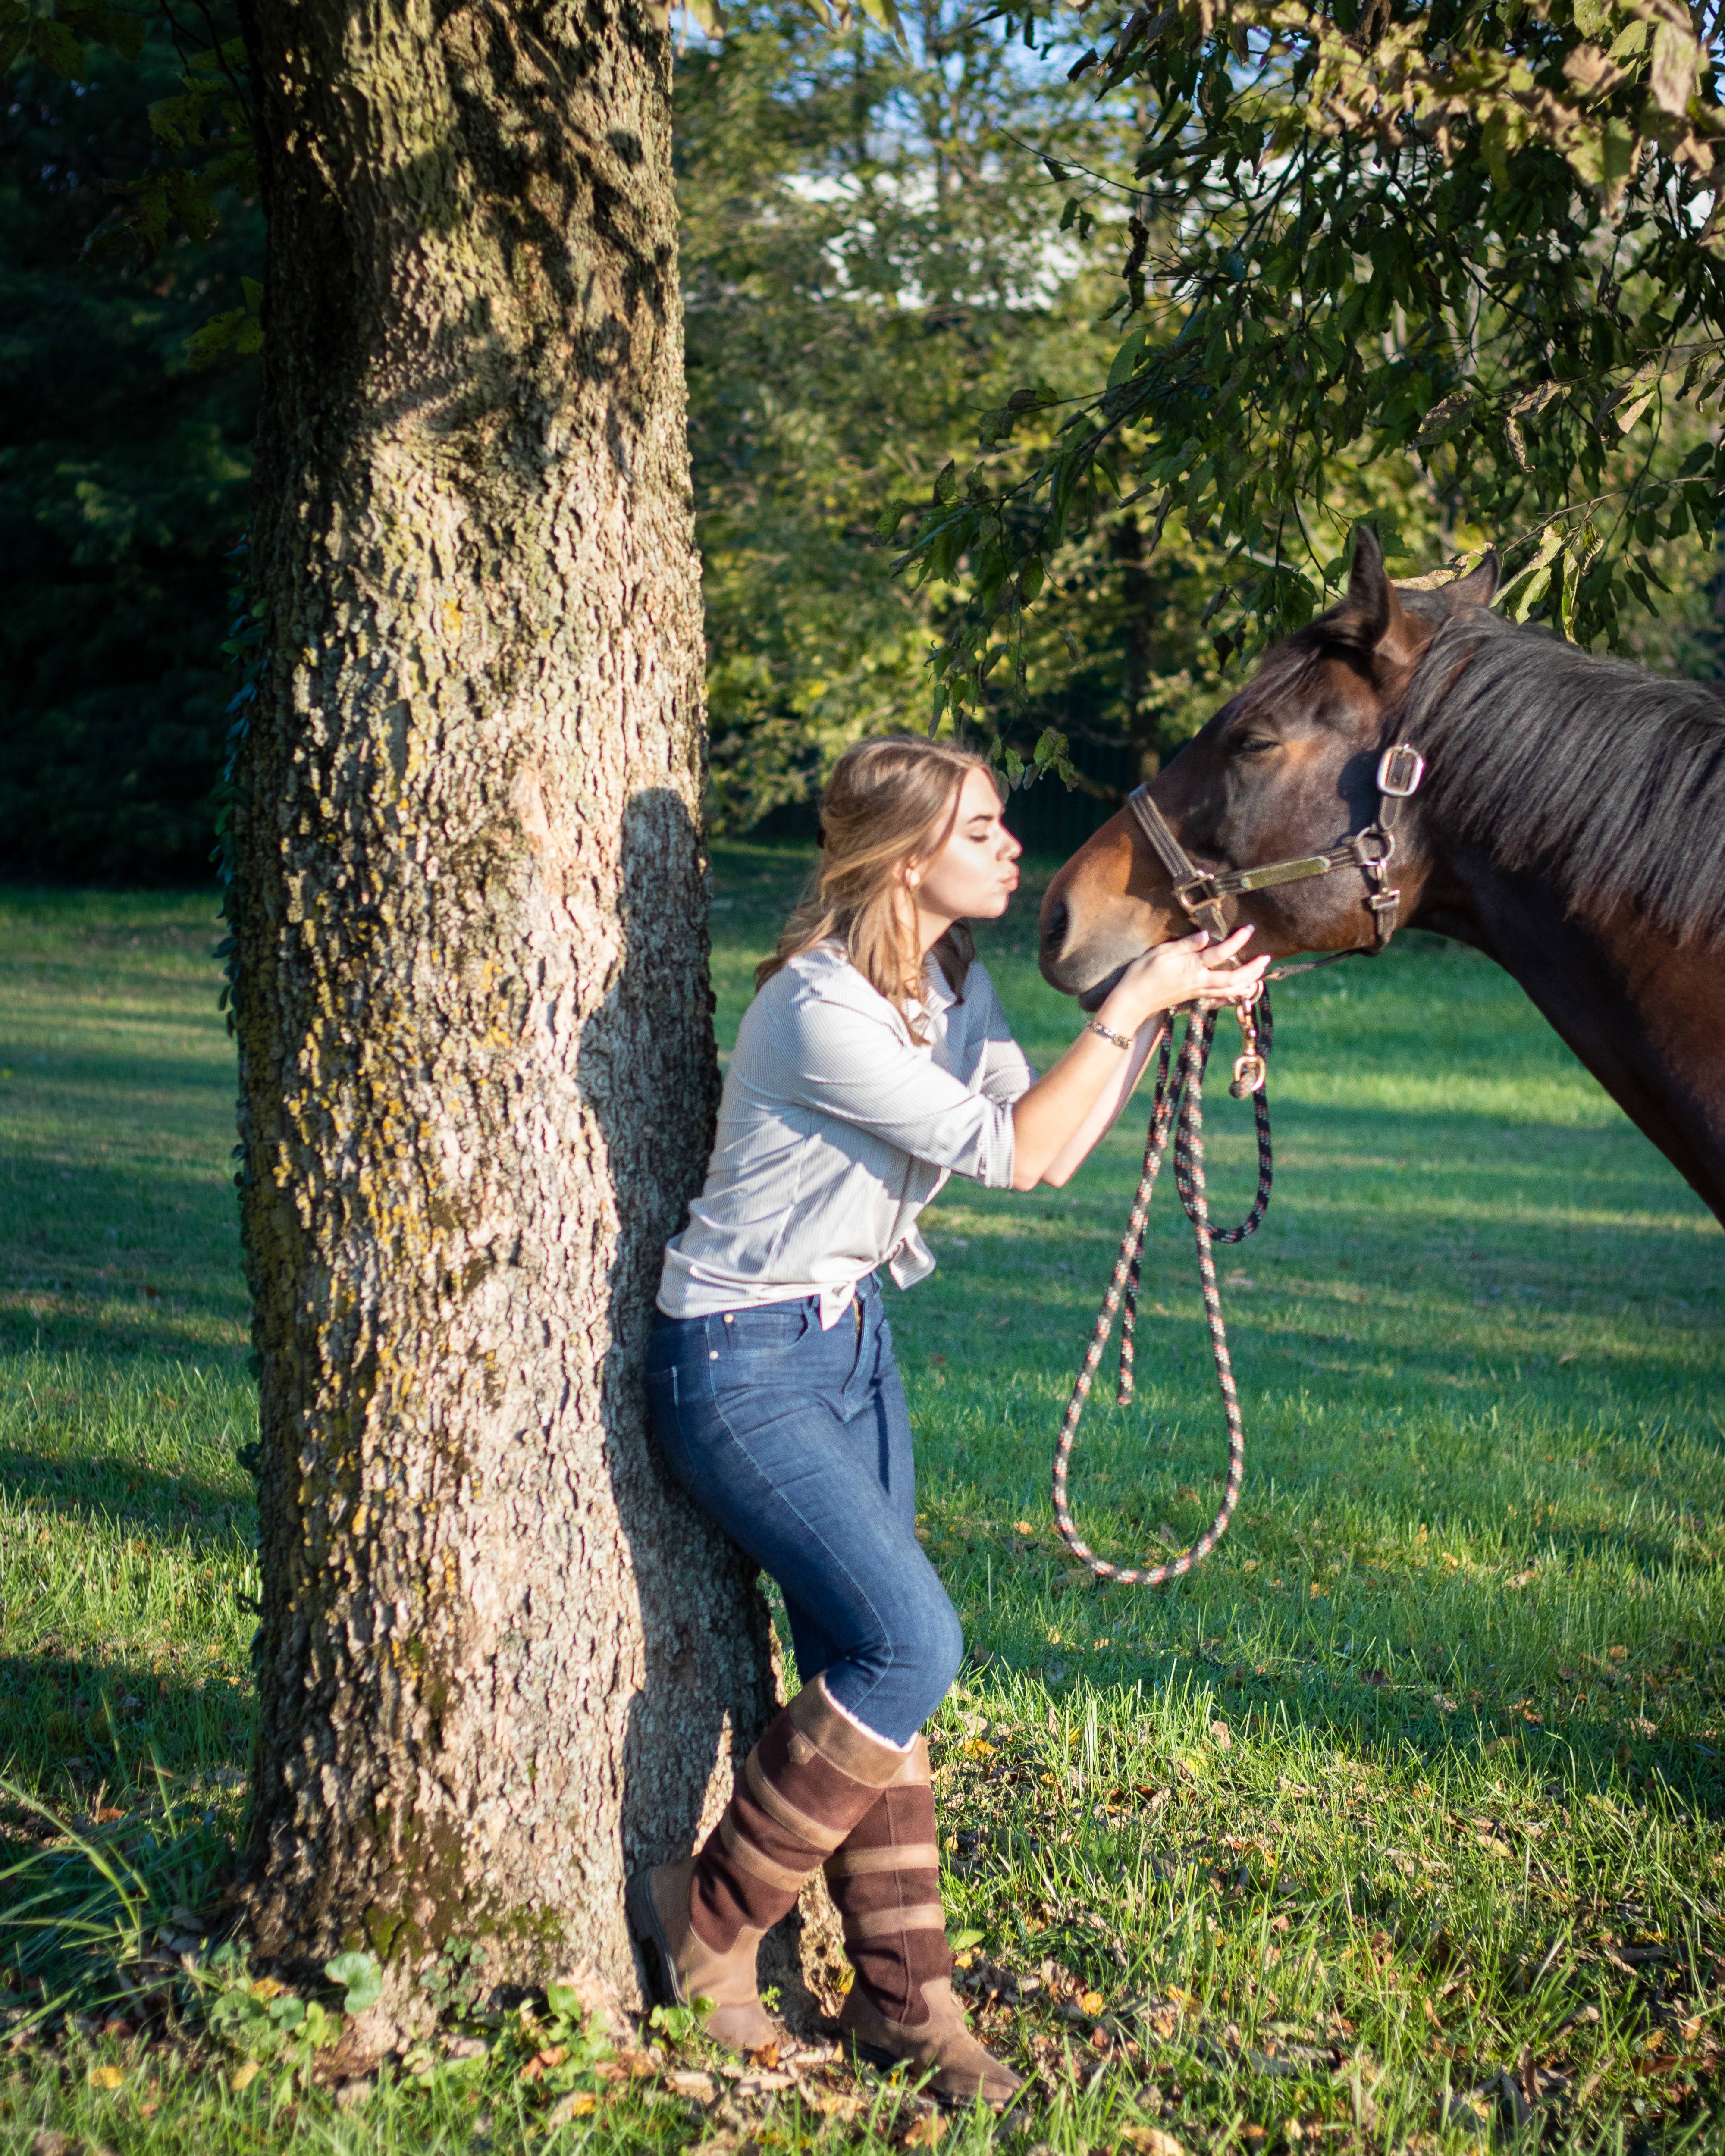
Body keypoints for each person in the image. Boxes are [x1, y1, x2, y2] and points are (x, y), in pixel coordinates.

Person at [627, 736, 1266, 2102]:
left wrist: (1168, 999)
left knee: (876, 1654)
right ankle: (712, 1917)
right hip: (740, 1361)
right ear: (907, 858)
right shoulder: (821, 1011)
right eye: (983, 831)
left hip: (851, 1346)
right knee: (913, 1643)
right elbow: (1022, 1152)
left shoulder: (945, 985)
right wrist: (1135, 996)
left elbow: (1050, 1144)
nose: (1013, 848)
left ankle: (907, 2003)